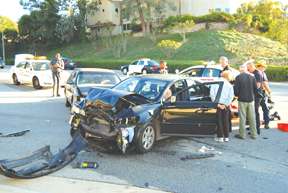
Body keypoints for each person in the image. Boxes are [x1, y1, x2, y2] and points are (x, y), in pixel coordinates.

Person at [234, 65, 258, 140]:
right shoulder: (252, 76)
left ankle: (242, 134)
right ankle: (254, 134)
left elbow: (236, 91)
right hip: (251, 99)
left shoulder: (238, 77)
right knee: (252, 117)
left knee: (242, 117)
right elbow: (256, 89)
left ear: (239, 70)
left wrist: (237, 95)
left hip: (242, 99)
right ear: (246, 69)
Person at [210, 70, 234, 142]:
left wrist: (217, 104)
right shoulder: (229, 85)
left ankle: (220, 137)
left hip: (218, 104)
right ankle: (226, 136)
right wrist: (226, 104)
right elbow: (231, 96)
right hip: (225, 105)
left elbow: (212, 93)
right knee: (225, 120)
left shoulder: (215, 82)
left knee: (219, 120)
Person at [247, 62, 263, 135]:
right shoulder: (255, 73)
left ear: (251, 66)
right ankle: (253, 127)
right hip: (254, 95)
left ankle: (257, 129)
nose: (247, 70)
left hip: (256, 95)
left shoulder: (257, 73)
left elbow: (258, 86)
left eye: (248, 69)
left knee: (255, 111)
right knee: (253, 111)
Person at [256, 60, 272, 129]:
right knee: (265, 109)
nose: (264, 69)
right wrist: (269, 92)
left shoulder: (253, 73)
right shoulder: (262, 73)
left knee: (256, 110)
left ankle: (256, 124)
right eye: (264, 67)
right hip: (261, 93)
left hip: (255, 94)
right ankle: (266, 123)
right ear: (262, 66)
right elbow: (264, 84)